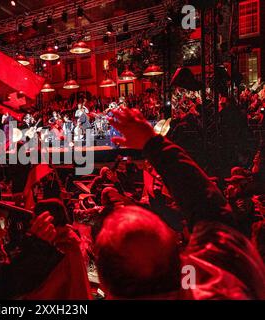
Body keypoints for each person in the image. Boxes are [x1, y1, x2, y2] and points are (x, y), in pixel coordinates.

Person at [95, 107, 265, 299]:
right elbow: (209, 211)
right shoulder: (225, 284)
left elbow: (209, 213)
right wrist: (152, 143)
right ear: (181, 258)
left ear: (107, 287)